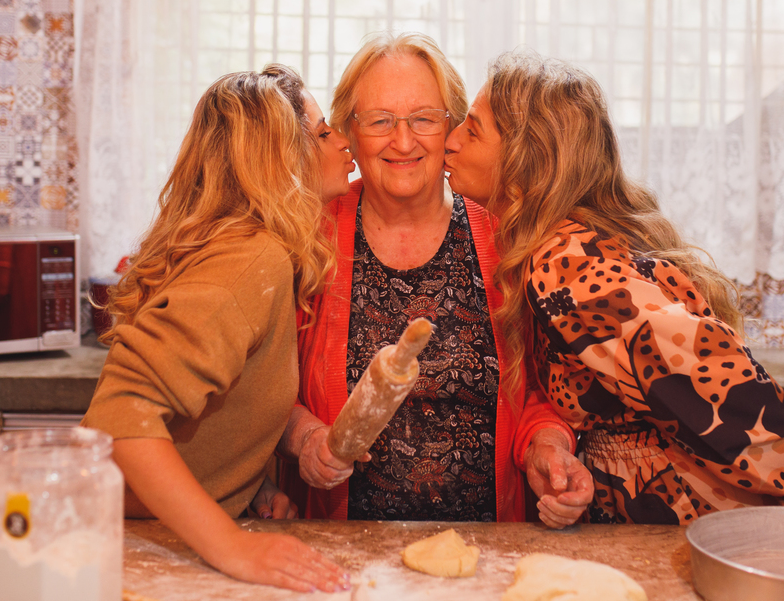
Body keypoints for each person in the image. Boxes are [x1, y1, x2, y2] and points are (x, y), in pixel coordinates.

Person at [443, 51, 784, 529]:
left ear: (526, 161)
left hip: (685, 515)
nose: (451, 139)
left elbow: (709, 378)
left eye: (474, 128)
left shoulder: (565, 264)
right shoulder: (566, 244)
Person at [277, 33, 593, 529]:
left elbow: (540, 392)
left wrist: (548, 450)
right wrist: (305, 438)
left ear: (452, 127)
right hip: (342, 546)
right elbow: (268, 387)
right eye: (380, 121)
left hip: (487, 549)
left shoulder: (506, 236)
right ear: (350, 134)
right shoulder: (307, 238)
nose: (403, 142)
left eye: (423, 119)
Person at [81, 65, 358, 593]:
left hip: (154, 535)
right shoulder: (252, 260)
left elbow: (222, 401)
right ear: (281, 158)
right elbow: (120, 413)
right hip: (126, 547)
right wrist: (231, 545)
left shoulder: (250, 250)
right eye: (323, 132)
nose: (342, 142)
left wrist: (246, 483)